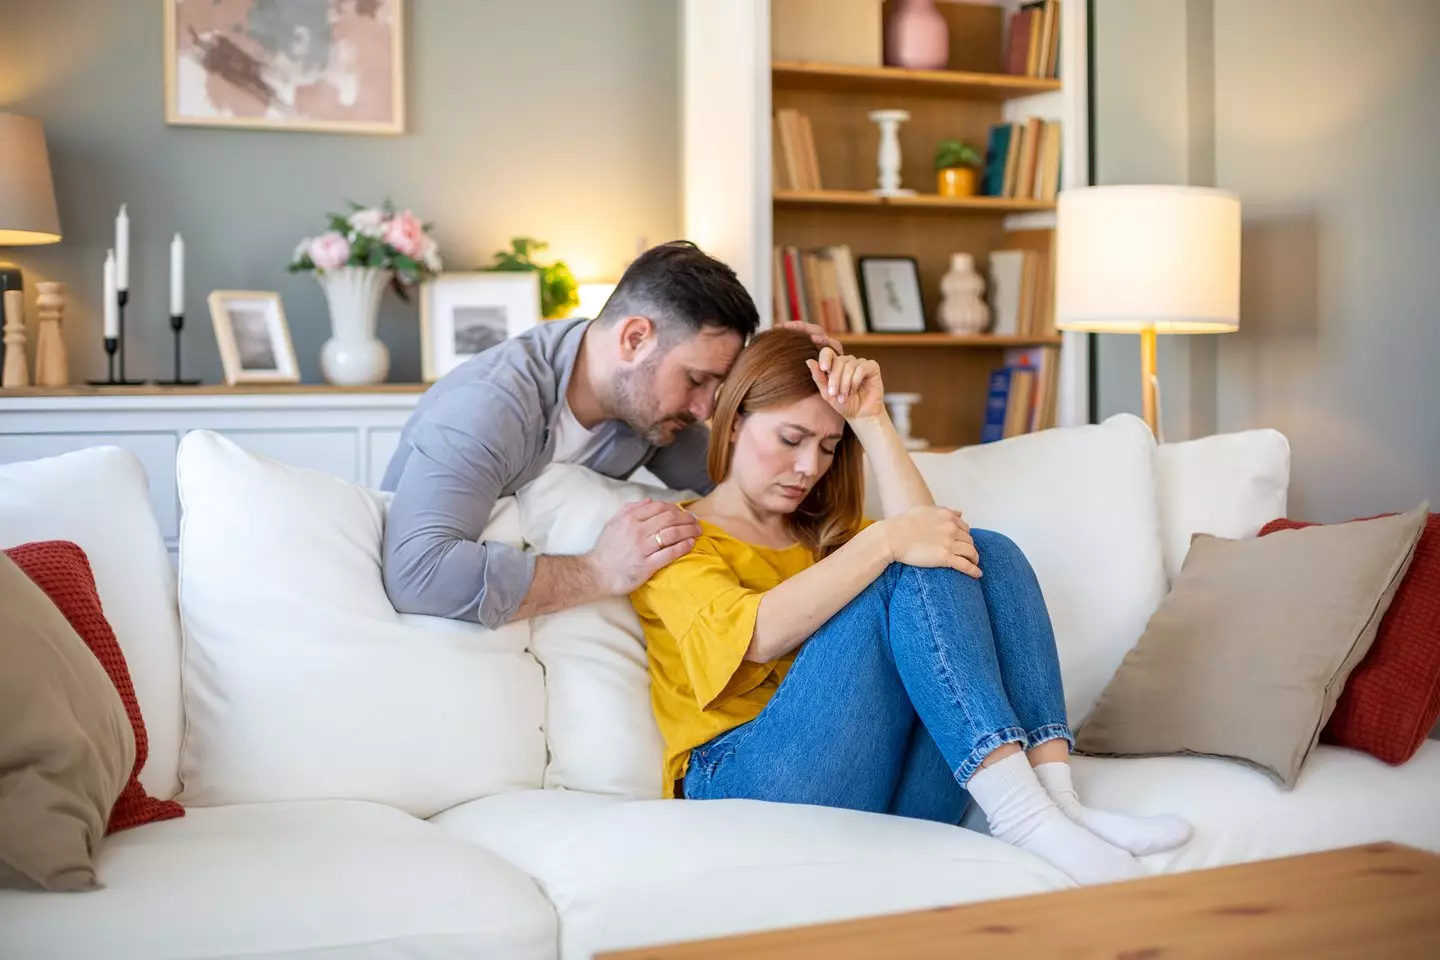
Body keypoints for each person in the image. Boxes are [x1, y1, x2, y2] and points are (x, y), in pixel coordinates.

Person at [629, 329, 1193, 886]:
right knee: (903, 558)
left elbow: (936, 548)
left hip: (881, 782)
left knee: (983, 550)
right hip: (743, 785)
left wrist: (870, 419)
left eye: (828, 447)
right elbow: (753, 637)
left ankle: (1057, 801)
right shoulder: (677, 536)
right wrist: (885, 543)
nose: (809, 467)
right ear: (733, 422)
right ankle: (1023, 815)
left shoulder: (830, 537)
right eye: (791, 438)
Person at [381, 240, 837, 629]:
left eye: (718, 387)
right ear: (634, 339)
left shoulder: (647, 414)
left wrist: (782, 368)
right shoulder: (489, 406)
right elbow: (419, 575)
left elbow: (757, 491)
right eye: (697, 380)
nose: (706, 409)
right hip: (443, 634)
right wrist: (596, 570)